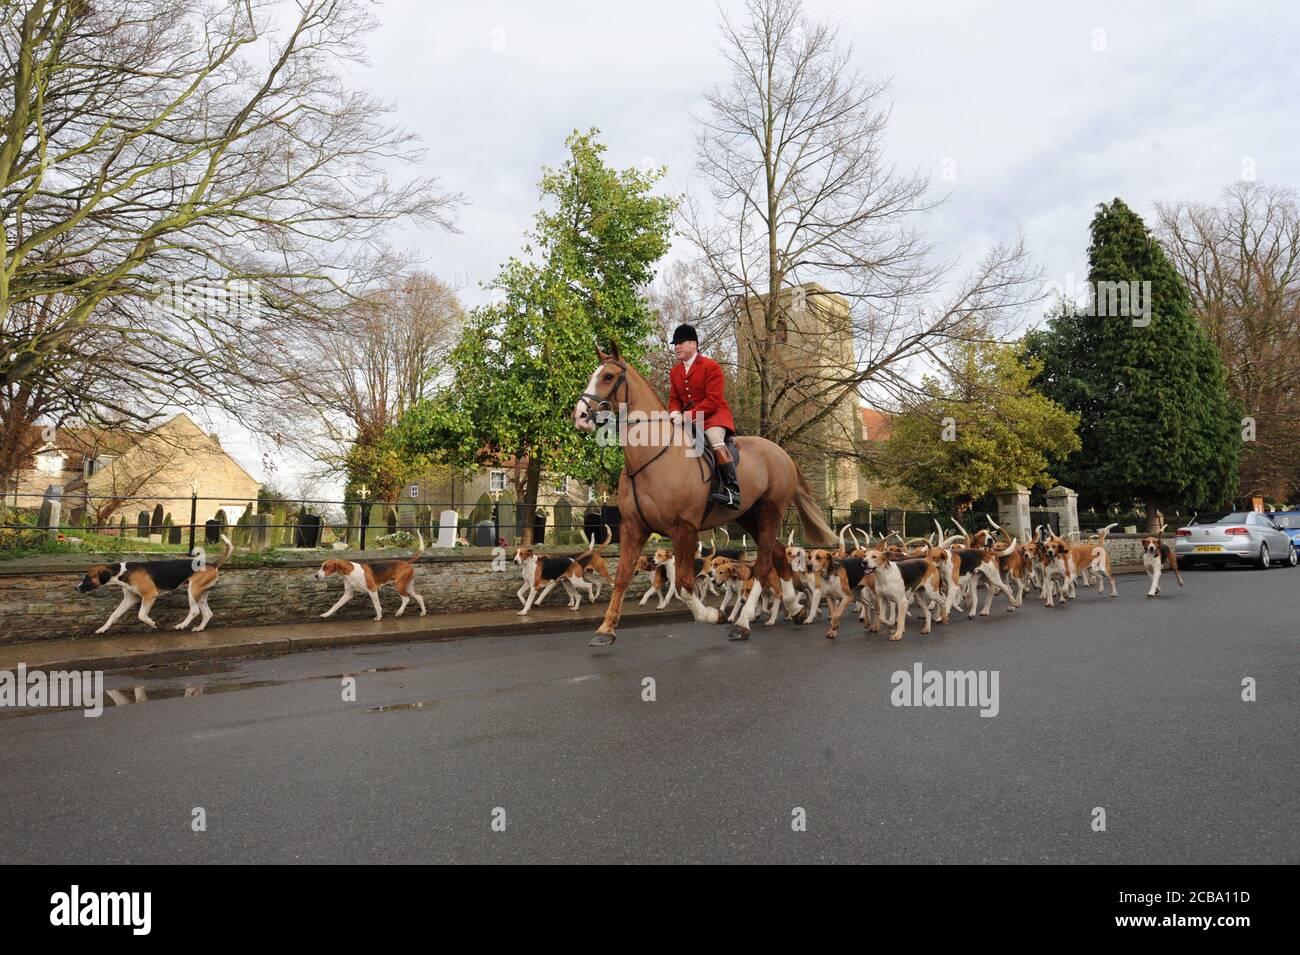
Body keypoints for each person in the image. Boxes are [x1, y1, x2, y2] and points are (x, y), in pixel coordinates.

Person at [666, 323, 740, 508]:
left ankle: (732, 491)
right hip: (687, 419)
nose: (676, 347)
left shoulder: (711, 366)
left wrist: (687, 416)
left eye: (680, 343)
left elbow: (714, 400)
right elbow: (674, 398)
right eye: (675, 344)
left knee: (714, 439)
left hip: (713, 417)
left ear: (693, 344)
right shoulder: (675, 371)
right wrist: (674, 411)